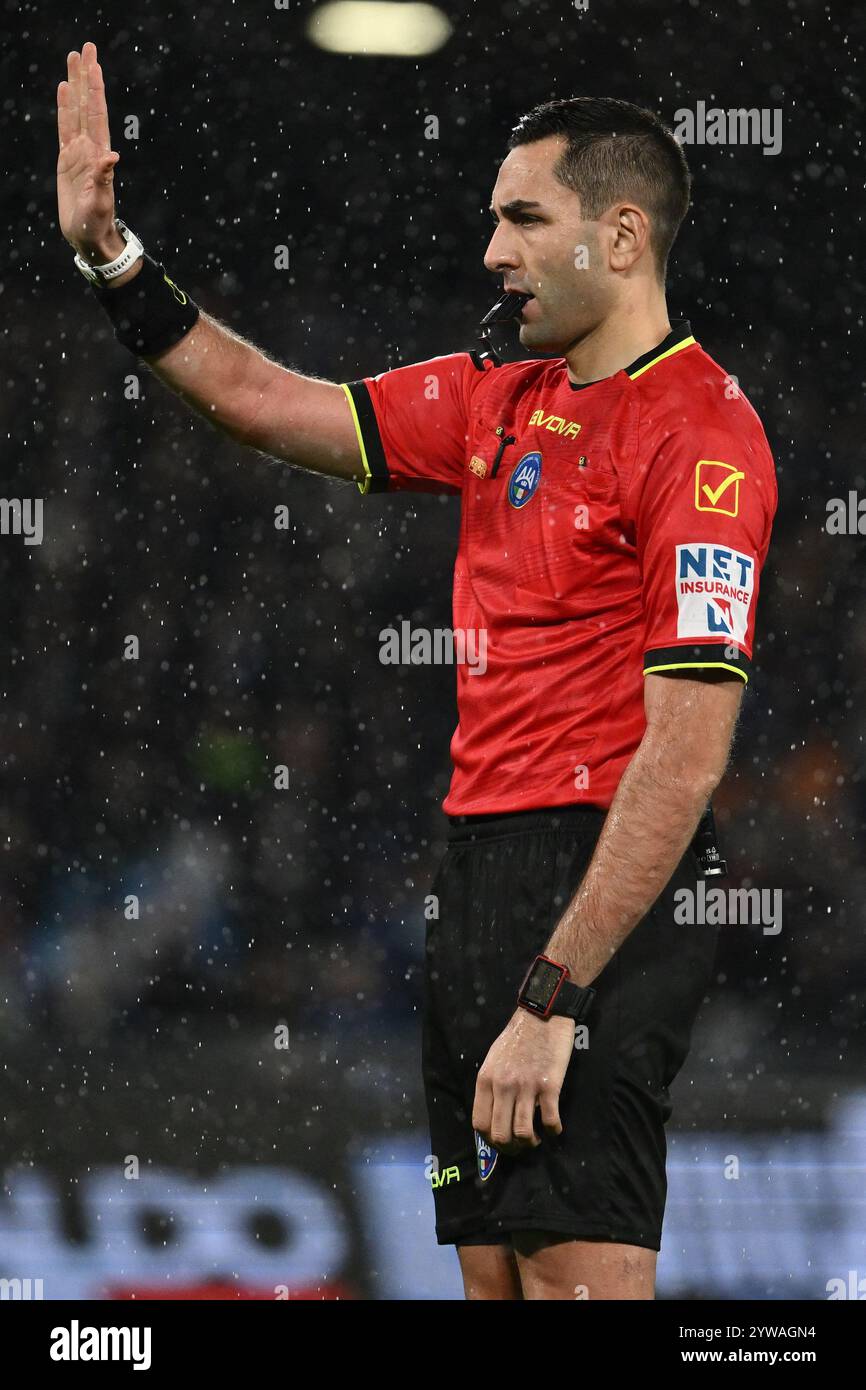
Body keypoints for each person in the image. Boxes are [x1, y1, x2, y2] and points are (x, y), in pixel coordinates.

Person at [57, 44, 777, 1300]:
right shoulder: (497, 393)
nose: (491, 250)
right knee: (492, 1288)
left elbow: (685, 752)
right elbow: (265, 400)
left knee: (575, 1285)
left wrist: (553, 992)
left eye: (520, 217)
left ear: (618, 236)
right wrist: (114, 258)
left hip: (596, 875)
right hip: (478, 868)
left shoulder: (702, 437)